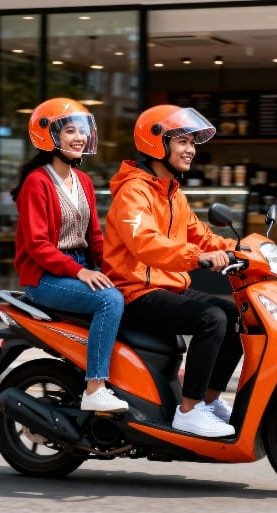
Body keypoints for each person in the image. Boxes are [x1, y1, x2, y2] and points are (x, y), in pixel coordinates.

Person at [103, 105, 242, 438]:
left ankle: (209, 401)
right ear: (156, 143)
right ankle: (189, 411)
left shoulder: (173, 194)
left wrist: (242, 249)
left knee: (237, 315)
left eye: (192, 142)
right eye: (182, 141)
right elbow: (146, 244)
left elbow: (201, 235)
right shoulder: (133, 192)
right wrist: (199, 257)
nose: (191, 149)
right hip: (135, 292)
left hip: (166, 288)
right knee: (211, 319)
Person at [12, 97, 127, 413]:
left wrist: (118, 270)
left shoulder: (83, 181)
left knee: (129, 292)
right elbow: (38, 246)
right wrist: (80, 271)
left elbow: (95, 238)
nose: (80, 137)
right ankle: (95, 387)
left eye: (83, 130)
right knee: (109, 300)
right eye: (70, 131)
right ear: (50, 137)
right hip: (44, 277)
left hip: (79, 268)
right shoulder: (36, 183)